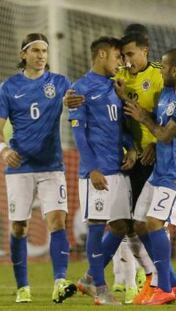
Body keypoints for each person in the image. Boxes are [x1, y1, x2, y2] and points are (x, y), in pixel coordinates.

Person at [117, 48, 176, 305]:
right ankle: (174, 281)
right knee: (140, 223)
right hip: (160, 170)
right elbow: (160, 125)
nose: (161, 71)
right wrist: (126, 98)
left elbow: (165, 133)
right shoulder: (167, 93)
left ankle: (163, 288)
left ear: (175, 70)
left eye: (165, 68)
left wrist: (146, 121)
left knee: (156, 223)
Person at [0, 33, 77, 303]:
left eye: (44, 50)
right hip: (20, 167)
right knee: (19, 227)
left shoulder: (59, 82)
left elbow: (76, 101)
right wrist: (4, 150)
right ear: (23, 54)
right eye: (35, 50)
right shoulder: (8, 87)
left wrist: (74, 104)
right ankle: (23, 286)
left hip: (51, 166)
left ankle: (60, 281)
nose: (41, 55)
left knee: (57, 221)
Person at [68, 36, 137, 305]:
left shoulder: (114, 88)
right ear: (101, 55)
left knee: (122, 226)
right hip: (97, 172)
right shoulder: (79, 89)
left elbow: (120, 127)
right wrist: (92, 169)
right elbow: (79, 136)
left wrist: (130, 149)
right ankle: (100, 288)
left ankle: (87, 279)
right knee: (96, 227)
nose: (120, 62)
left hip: (118, 169)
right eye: (117, 57)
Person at [112, 25, 163, 303]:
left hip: (154, 158)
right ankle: (143, 278)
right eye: (123, 55)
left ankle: (162, 279)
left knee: (152, 223)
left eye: (131, 53)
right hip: (128, 158)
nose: (127, 60)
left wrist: (156, 144)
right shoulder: (118, 76)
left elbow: (169, 119)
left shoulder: (159, 75)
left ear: (145, 50)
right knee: (129, 223)